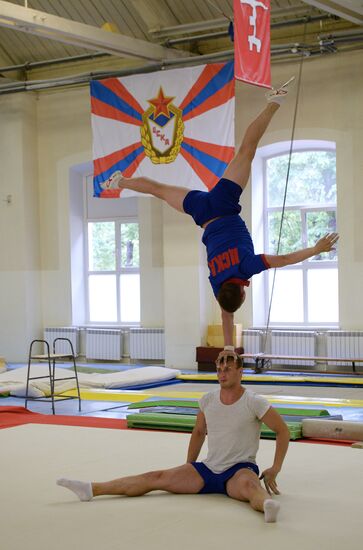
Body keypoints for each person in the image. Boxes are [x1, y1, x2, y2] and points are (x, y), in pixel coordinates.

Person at [99, 83, 339, 349]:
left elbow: (283, 259)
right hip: (203, 213)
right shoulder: (217, 284)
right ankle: (120, 182)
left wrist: (316, 249)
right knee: (159, 190)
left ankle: (274, 102)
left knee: (247, 150)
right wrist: (226, 348)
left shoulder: (247, 267)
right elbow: (226, 313)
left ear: (243, 292)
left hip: (223, 205)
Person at [57, 352, 290, 522]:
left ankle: (268, 507)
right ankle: (92, 488)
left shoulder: (254, 402)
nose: (222, 374)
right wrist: (189, 465)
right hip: (208, 469)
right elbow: (199, 432)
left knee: (250, 486)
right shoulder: (207, 400)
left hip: (239, 469)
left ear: (240, 372)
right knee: (155, 476)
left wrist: (275, 468)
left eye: (228, 369)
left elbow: (283, 431)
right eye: (219, 370)